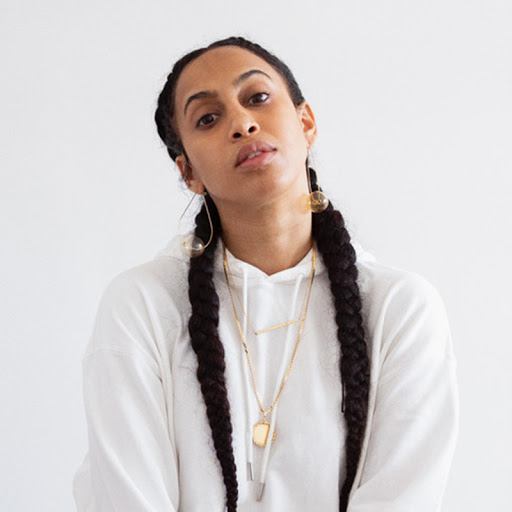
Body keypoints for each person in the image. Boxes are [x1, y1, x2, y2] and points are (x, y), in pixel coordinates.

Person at [73, 36, 458, 511]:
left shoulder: (401, 309)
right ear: (188, 171)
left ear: (306, 122)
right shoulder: (142, 305)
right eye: (208, 118)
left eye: (257, 97)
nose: (242, 122)